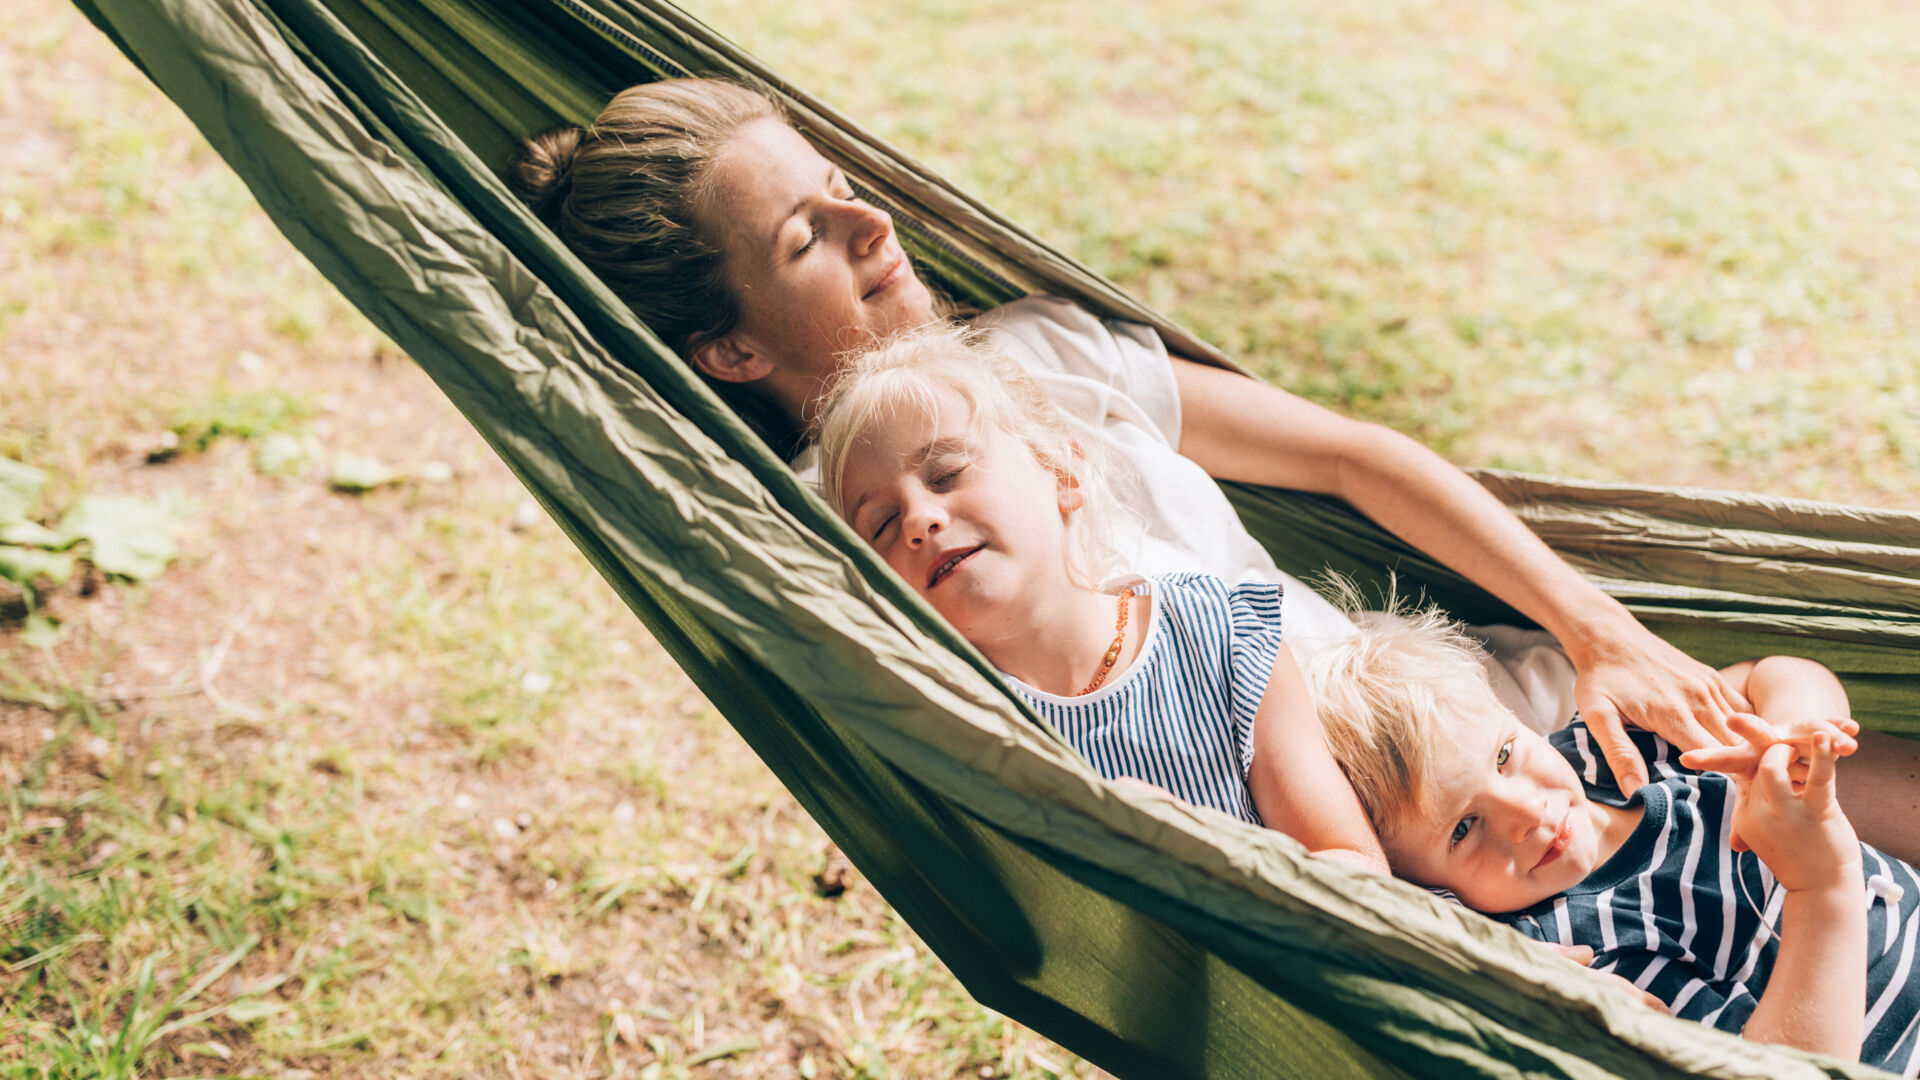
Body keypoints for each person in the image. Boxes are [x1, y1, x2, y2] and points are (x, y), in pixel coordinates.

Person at [506, 77, 1920, 862]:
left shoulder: (1044, 356)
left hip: (1488, 711)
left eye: (838, 184)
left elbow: (1358, 458)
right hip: (1418, 854)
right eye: (807, 237)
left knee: (1840, 771)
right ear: (724, 352)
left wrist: (1599, 633)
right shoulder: (837, 546)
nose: (874, 220)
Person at [809, 323, 1387, 871]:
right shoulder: (958, 730)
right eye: (882, 524)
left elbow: (1357, 869)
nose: (920, 519)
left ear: (1063, 473)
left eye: (947, 473)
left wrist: (1199, 848)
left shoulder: (1217, 635)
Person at [1309, 603, 1920, 1072]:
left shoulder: (1609, 747)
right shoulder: (1575, 954)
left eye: (1504, 755)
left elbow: (1770, 673)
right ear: (1423, 883)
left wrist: (1784, 732)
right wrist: (1821, 881)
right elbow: (1782, 1068)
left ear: (1516, 719)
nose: (1526, 813)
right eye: (1464, 829)